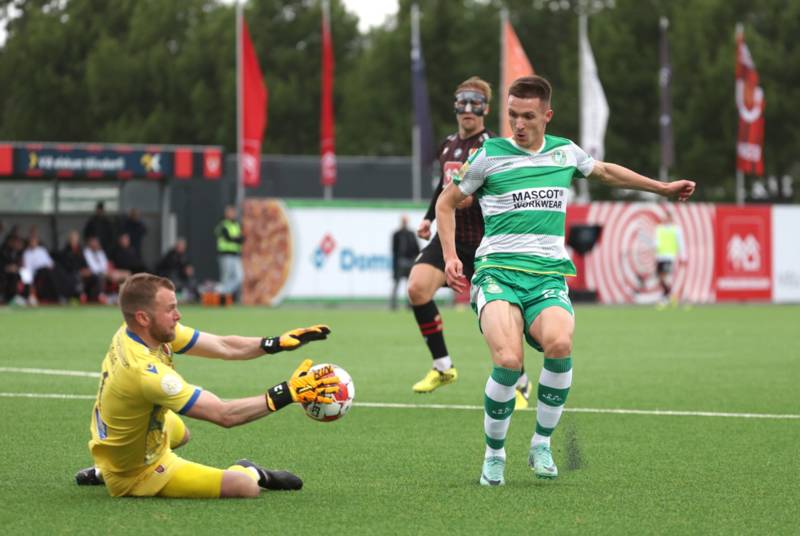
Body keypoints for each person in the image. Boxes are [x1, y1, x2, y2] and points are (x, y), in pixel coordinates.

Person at [436, 75, 695, 486]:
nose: (519, 124)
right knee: (508, 360)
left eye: (528, 117)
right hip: (498, 272)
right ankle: (494, 454)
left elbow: (606, 172)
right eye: (513, 116)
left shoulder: (564, 153)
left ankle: (541, 443)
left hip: (547, 277)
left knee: (559, 344)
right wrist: (450, 256)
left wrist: (660, 188)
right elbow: (445, 202)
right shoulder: (489, 154)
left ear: (547, 116)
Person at [74, 272, 336, 498]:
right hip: (137, 473)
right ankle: (249, 469)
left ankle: (103, 468)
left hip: (115, 437)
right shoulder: (147, 374)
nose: (178, 315)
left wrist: (275, 343)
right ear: (143, 317)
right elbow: (224, 414)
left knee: (182, 433)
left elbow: (223, 346)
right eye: (170, 309)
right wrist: (288, 392)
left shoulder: (137, 330)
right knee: (245, 488)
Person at [654, 211, 686, 307]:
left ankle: (666, 297)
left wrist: (683, 256)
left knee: (665, 276)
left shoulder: (676, 229)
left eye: (668, 217)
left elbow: (681, 243)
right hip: (660, 256)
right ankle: (670, 296)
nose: (667, 219)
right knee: (660, 277)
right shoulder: (659, 229)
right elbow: (656, 242)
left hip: (669, 256)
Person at [390, 215, 420, 310]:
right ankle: (393, 305)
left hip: (410, 262)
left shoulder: (411, 234)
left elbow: (417, 248)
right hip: (400, 262)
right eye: (403, 221)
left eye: (405, 221)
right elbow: (394, 250)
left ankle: (410, 305)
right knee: (396, 284)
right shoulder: (396, 234)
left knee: (410, 286)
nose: (404, 223)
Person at [215, 205, 244, 301]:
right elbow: (229, 238)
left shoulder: (236, 225)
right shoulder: (223, 224)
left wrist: (237, 239)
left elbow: (241, 239)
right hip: (225, 255)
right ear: (226, 213)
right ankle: (222, 299)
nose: (232, 214)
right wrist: (237, 239)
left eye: (233, 212)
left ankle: (222, 291)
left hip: (235, 255)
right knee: (226, 278)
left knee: (239, 277)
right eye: (230, 212)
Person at [156, 237, 197, 301]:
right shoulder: (171, 254)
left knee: (192, 281)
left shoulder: (185, 255)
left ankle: (191, 296)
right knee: (174, 279)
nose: (182, 248)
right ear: (177, 246)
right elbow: (169, 267)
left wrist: (188, 269)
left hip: (182, 276)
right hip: (169, 275)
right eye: (181, 246)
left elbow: (187, 265)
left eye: (183, 246)